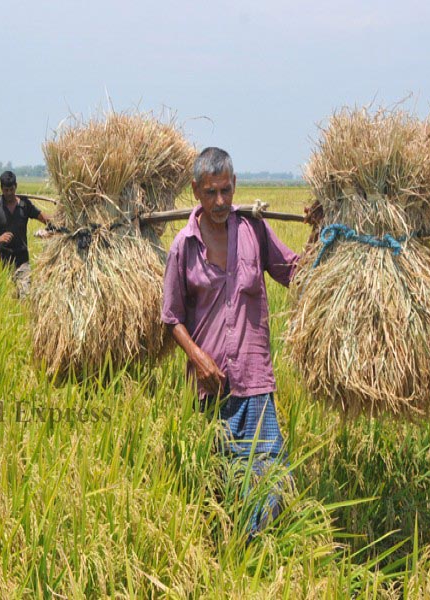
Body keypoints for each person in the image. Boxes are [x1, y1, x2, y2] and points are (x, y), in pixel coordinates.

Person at [161, 147, 310, 538]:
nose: (220, 201)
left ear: (235, 185)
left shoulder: (253, 231)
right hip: (212, 389)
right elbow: (171, 317)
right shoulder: (184, 245)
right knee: (221, 485)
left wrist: (319, 231)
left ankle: (255, 551)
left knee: (269, 477)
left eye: (226, 190)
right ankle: (226, 556)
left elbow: (296, 273)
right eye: (210, 193)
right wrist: (197, 358)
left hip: (255, 380)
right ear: (195, 190)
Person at [0, 171, 50, 298]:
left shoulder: (24, 205)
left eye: (11, 189)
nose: (9, 193)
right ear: (1, 188)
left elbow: (43, 218)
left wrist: (58, 223)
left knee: (25, 296)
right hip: (3, 264)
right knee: (7, 300)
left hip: (22, 261)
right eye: (6, 190)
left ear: (16, 186)